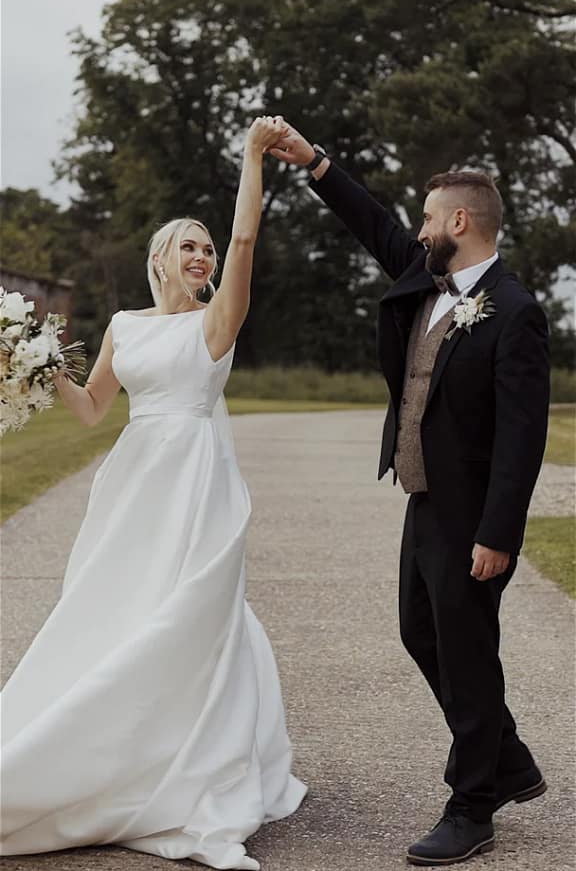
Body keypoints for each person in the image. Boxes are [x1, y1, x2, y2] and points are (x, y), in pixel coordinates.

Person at [0, 116, 307, 871]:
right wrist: (35, 362)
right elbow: (93, 409)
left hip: (194, 478)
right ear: (159, 260)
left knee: (185, 609)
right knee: (114, 604)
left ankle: (185, 762)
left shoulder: (216, 323)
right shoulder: (124, 326)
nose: (202, 253)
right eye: (187, 244)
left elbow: (245, 244)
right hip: (133, 480)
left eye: (206, 245)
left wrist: (249, 160)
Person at [269, 124, 549, 867]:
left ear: (461, 222)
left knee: (467, 650)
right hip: (425, 500)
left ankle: (473, 804)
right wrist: (316, 163)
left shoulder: (515, 311)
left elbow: (523, 438)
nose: (419, 230)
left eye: (430, 217)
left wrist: (499, 533)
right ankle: (508, 756)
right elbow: (376, 226)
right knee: (420, 632)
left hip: (473, 518)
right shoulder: (428, 279)